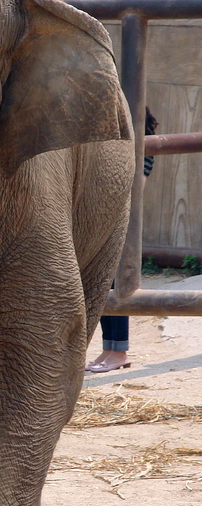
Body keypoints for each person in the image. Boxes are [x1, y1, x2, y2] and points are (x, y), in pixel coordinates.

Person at [86, 107, 159, 374]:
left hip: (121, 221)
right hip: (105, 218)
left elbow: (135, 186)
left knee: (118, 286)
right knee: (105, 284)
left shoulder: (145, 146)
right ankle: (110, 349)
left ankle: (120, 351)